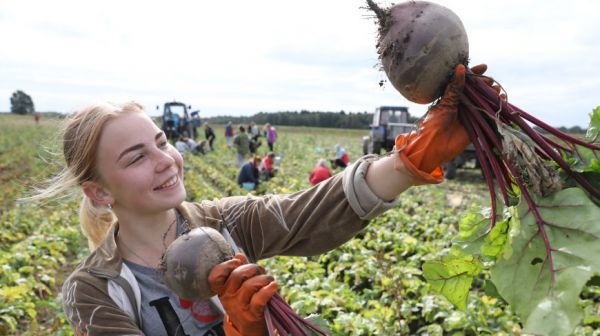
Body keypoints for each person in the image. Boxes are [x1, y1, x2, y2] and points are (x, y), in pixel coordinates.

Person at [29, 63, 485, 335]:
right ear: (99, 191)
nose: (166, 159)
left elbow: (310, 212)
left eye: (162, 141)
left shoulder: (223, 222)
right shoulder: (96, 289)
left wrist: (409, 162)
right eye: (136, 158)